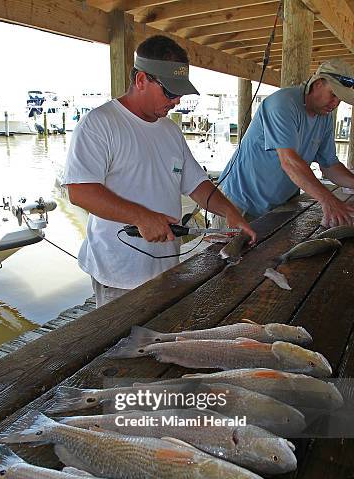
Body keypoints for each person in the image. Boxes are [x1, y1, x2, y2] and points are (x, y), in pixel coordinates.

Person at [63, 35, 256, 308]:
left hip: (167, 267)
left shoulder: (170, 130)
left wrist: (231, 212)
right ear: (141, 80)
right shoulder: (100, 123)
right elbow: (80, 191)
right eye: (169, 91)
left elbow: (197, 184)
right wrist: (141, 217)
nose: (176, 101)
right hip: (120, 272)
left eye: (180, 93)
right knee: (122, 347)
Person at [218, 58, 354, 228]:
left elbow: (330, 165)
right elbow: (289, 162)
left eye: (340, 99)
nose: (335, 103)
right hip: (239, 203)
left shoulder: (324, 118)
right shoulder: (282, 104)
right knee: (226, 254)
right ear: (318, 83)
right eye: (333, 94)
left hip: (277, 206)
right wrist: (328, 200)